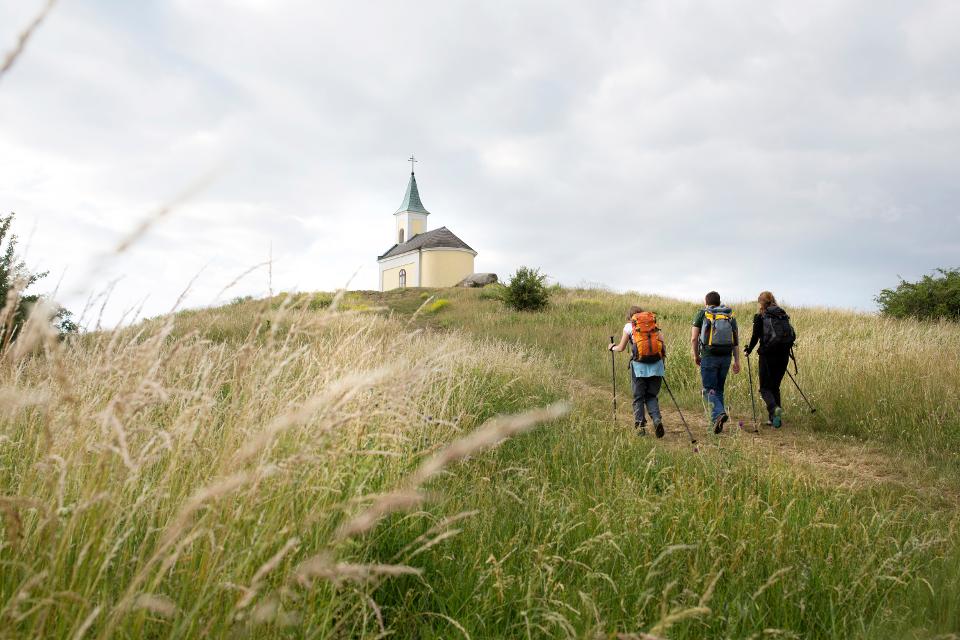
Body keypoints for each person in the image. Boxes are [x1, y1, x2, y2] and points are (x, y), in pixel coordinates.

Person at [609, 305, 666, 437]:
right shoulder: (653, 324)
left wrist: (612, 347)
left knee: (638, 397)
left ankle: (640, 427)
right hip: (657, 365)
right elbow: (662, 344)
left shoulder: (629, 327)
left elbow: (621, 347)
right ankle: (657, 420)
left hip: (639, 366)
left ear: (630, 317)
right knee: (651, 396)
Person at [690, 291, 741, 433]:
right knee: (719, 390)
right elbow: (735, 341)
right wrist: (737, 361)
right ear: (719, 302)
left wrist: (696, 355)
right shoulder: (729, 315)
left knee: (707, 390)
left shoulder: (702, 314)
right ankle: (716, 422)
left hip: (709, 356)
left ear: (706, 302)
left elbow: (694, 338)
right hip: (726, 357)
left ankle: (719, 413)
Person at [744, 291, 795, 428]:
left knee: (765, 388)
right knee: (775, 387)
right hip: (784, 355)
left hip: (767, 355)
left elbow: (755, 337)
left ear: (761, 302)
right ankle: (775, 421)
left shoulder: (760, 316)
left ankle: (774, 409)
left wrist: (748, 350)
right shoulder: (782, 315)